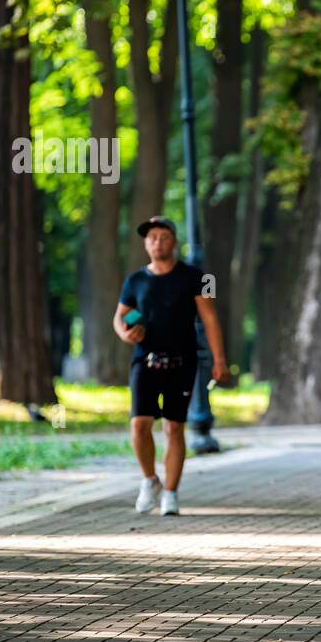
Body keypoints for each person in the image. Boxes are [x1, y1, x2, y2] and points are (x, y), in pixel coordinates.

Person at [114, 216, 227, 517]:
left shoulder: (194, 276)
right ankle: (150, 479)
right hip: (145, 360)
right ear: (145, 243)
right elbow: (120, 316)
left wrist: (219, 360)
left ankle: (172, 494)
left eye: (163, 236)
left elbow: (210, 318)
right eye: (151, 237)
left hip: (182, 361)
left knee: (174, 426)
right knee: (139, 424)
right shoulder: (135, 281)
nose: (157, 242)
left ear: (174, 241)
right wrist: (125, 332)